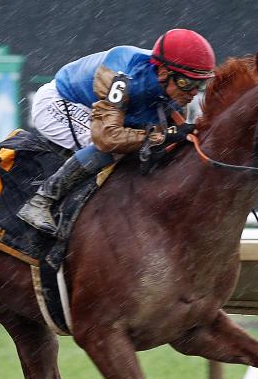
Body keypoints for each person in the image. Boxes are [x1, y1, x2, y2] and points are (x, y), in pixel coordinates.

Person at [17, 28, 216, 234]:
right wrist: (160, 136)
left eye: (200, 84)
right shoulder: (123, 79)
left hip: (99, 108)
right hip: (60, 102)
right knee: (113, 149)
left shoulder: (170, 86)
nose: (194, 92)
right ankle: (41, 201)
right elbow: (107, 138)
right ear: (164, 73)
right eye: (187, 83)